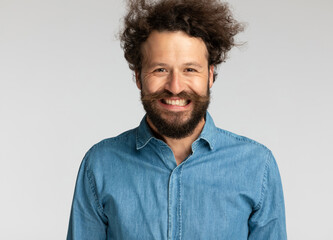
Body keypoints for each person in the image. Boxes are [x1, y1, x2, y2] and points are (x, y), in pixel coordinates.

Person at [67, 0, 287, 239]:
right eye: (160, 69)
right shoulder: (100, 165)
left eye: (190, 69)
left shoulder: (257, 166)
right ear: (139, 77)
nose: (175, 87)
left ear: (210, 75)